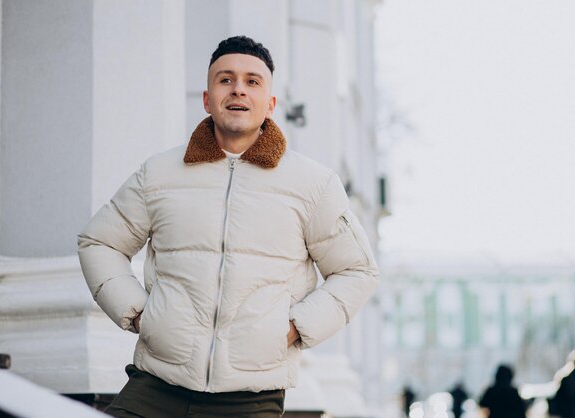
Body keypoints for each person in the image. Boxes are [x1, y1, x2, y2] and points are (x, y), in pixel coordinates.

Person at [77, 35, 379, 418]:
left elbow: (357, 270)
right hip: (155, 386)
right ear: (207, 98)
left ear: (270, 104)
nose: (238, 89)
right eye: (226, 79)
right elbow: (99, 242)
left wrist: (292, 329)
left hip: (250, 398)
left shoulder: (312, 184)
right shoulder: (159, 173)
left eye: (252, 81)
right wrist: (138, 313)